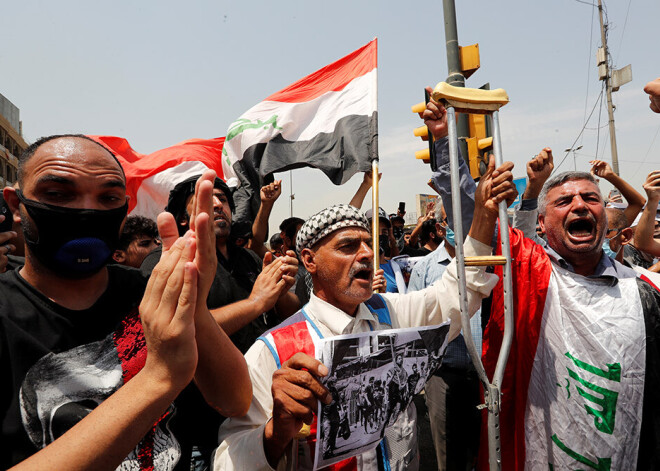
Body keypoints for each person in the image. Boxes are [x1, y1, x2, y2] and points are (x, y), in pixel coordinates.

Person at [214, 150, 516, 470]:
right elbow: (226, 460)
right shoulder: (274, 350)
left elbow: (456, 300)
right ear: (309, 261)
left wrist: (483, 218)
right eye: (347, 246)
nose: (365, 255)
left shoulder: (388, 314)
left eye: (368, 245)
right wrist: (275, 432)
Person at [0, 134, 250, 470]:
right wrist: (158, 379)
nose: (86, 210)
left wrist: (194, 304)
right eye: (58, 194)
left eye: (108, 198)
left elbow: (235, 401)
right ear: (16, 204)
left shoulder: (149, 292)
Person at [490, 166, 660, 469]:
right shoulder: (529, 279)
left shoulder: (645, 292)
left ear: (606, 218)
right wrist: (443, 143)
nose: (580, 205)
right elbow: (476, 221)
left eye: (591, 198)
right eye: (564, 201)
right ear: (541, 222)